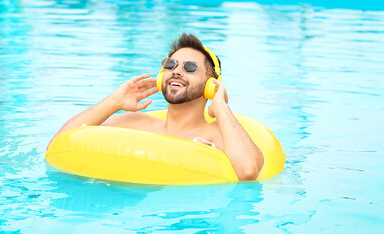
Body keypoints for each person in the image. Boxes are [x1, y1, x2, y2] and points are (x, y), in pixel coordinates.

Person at [48, 33, 264, 181]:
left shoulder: (218, 135)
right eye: (170, 65)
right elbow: (60, 145)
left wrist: (221, 107)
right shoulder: (135, 122)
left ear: (210, 83)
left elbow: (247, 171)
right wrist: (113, 103)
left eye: (190, 67)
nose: (177, 71)